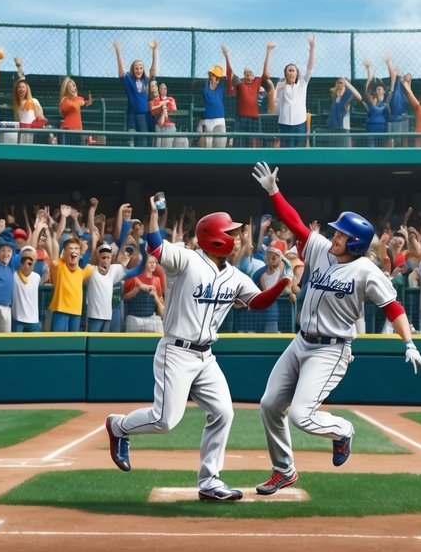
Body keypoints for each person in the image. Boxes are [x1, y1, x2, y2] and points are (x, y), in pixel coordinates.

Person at [249, 162, 421, 496]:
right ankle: (283, 470)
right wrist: (274, 191)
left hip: (331, 349)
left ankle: (343, 430)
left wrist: (409, 343)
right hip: (300, 342)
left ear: (356, 244)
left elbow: (394, 308)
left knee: (302, 415)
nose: (335, 236)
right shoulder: (321, 249)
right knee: (270, 404)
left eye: (342, 235)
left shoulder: (366, 271)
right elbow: (297, 226)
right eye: (336, 232)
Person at [105, 196, 289, 501]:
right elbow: (155, 245)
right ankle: (119, 426)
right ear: (215, 237)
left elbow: (257, 302)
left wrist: (279, 286)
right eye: (230, 232)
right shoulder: (187, 259)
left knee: (223, 412)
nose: (236, 236)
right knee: (165, 421)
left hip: (206, 356)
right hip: (176, 351)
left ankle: (210, 481)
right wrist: (153, 214)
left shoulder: (234, 275)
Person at [224, 42, 272, 148]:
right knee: (239, 141)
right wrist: (226, 56)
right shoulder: (240, 83)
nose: (248, 76)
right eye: (246, 74)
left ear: (254, 75)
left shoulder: (257, 82)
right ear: (243, 75)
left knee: (255, 141)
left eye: (250, 74)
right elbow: (230, 72)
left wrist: (268, 51)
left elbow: (266, 72)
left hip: (254, 118)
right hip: (240, 118)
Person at [113, 40, 158, 147]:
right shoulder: (129, 80)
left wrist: (154, 50)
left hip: (147, 115)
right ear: (133, 70)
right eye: (136, 68)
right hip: (135, 115)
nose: (139, 70)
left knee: (147, 140)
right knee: (139, 140)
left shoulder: (145, 81)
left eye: (141, 68)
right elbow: (121, 72)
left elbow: (153, 70)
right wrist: (118, 52)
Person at [274, 36, 315, 147]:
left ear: (297, 73)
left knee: (299, 153)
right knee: (285, 153)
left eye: (293, 71)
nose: (292, 73)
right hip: (284, 125)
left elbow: (310, 68)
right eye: (289, 70)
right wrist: (277, 88)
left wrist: (312, 47)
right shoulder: (280, 86)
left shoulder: (302, 84)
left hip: (300, 124)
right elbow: (273, 105)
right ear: (285, 73)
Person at [122, 252, 165, 332]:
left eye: (154, 262)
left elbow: (160, 301)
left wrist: (155, 296)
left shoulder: (157, 280)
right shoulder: (133, 277)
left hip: (150, 316)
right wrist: (136, 290)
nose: (153, 264)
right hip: (134, 316)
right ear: (144, 264)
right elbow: (124, 297)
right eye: (150, 262)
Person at [11, 57, 44, 145]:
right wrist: (19, 67)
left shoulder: (33, 101)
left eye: (23, 87)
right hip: (22, 129)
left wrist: (19, 67)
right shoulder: (17, 103)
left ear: (27, 89)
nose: (21, 89)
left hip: (33, 130)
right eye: (19, 87)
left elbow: (40, 117)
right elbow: (21, 79)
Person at [12, 245, 44, 332]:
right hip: (18, 320)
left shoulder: (37, 277)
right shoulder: (14, 276)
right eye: (24, 260)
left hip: (34, 321)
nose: (26, 265)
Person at [200, 52, 229, 148]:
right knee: (208, 145)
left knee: (220, 144)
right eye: (215, 77)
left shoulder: (220, 88)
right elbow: (209, 82)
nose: (217, 80)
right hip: (208, 120)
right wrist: (211, 76)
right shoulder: (206, 89)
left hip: (220, 119)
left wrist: (226, 56)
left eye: (218, 78)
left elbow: (225, 75)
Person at [361, 60, 391, 147]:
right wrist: (369, 69)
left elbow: (388, 116)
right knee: (371, 149)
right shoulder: (371, 100)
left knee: (381, 149)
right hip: (370, 128)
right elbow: (368, 86)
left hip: (382, 129)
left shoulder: (386, 102)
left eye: (380, 89)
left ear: (384, 91)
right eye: (377, 89)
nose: (378, 90)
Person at [324, 77, 360, 148]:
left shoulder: (348, 95)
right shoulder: (335, 97)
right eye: (338, 83)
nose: (339, 85)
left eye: (342, 83)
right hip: (332, 129)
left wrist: (346, 83)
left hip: (343, 129)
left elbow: (359, 97)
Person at [57, 76, 92, 146]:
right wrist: (78, 100)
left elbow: (83, 100)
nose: (74, 88)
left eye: (74, 85)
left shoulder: (76, 99)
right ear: (67, 89)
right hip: (67, 132)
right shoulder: (64, 100)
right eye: (71, 86)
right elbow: (74, 106)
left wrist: (81, 100)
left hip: (78, 131)